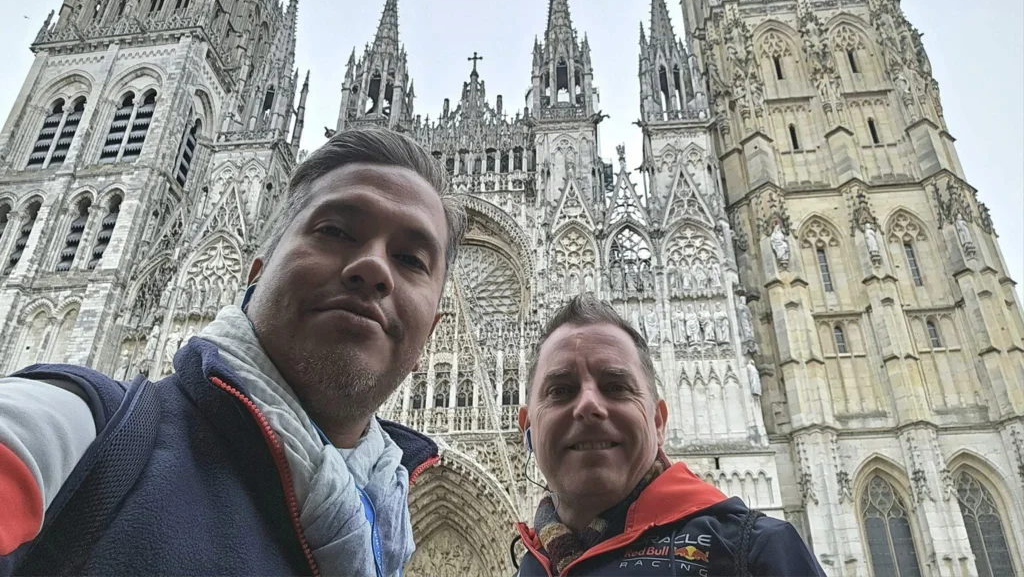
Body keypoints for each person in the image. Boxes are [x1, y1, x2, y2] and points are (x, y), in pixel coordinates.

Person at [0, 127, 467, 576]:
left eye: (410, 259)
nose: (372, 268)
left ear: (432, 335)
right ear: (254, 273)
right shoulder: (82, 434)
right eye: (336, 231)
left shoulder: (385, 523)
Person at [513, 294, 825, 576]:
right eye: (561, 390)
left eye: (616, 387)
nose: (589, 405)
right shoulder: (530, 568)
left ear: (658, 421)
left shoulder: (754, 554)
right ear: (527, 427)